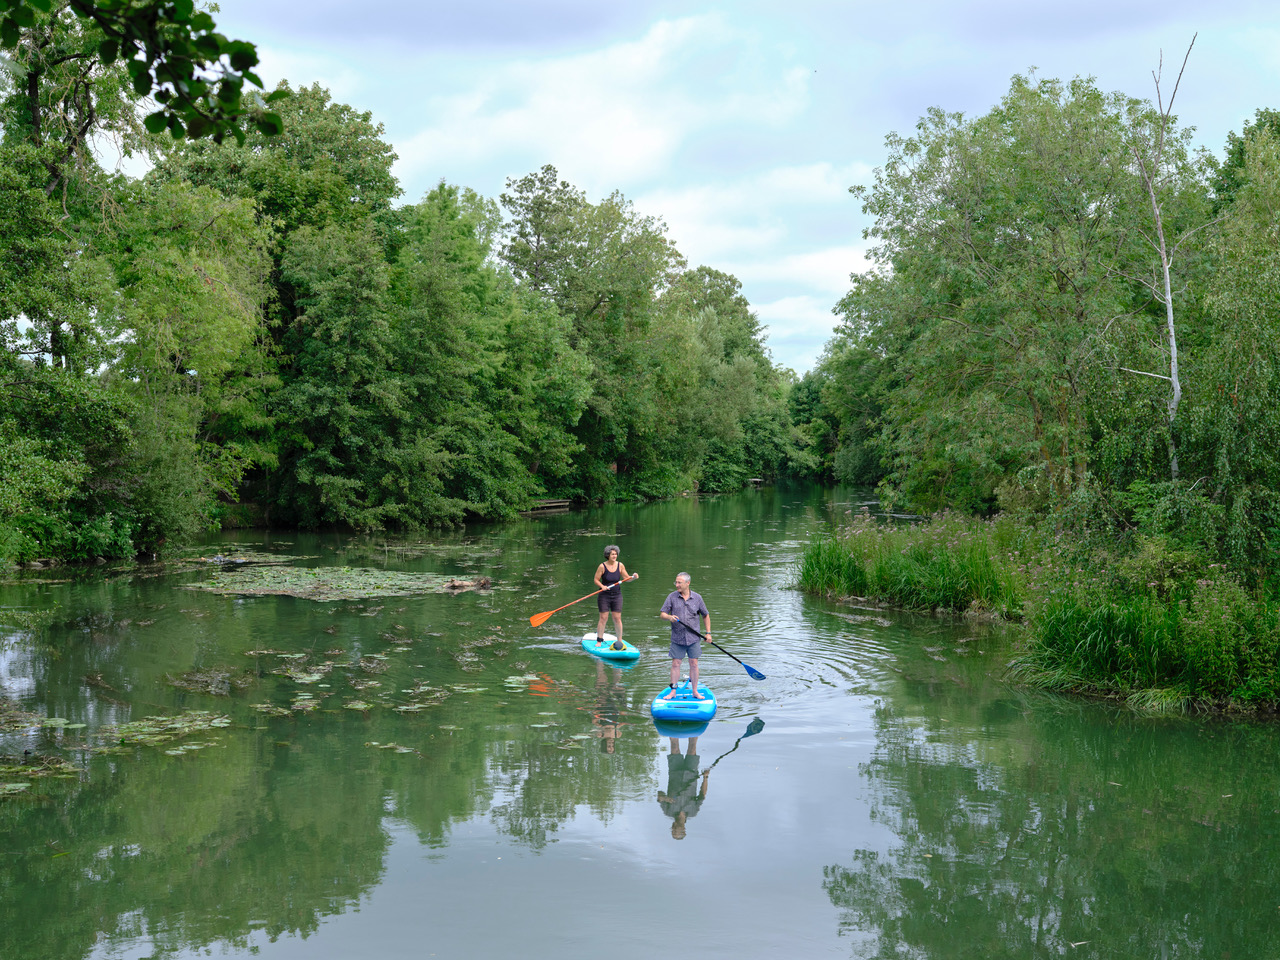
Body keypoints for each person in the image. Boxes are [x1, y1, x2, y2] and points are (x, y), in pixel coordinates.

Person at [659, 572, 710, 699]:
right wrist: (669, 617)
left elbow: (705, 615)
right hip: (677, 638)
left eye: (679, 583)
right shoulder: (672, 597)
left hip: (693, 638)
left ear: (688, 583)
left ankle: (695, 691)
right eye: (676, 582)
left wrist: (708, 633)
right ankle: (673, 692)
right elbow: (662, 614)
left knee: (694, 663)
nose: (677, 585)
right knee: (676, 663)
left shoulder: (697, 598)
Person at [657, 736, 709, 840]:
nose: (673, 829)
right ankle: (694, 724)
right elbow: (702, 795)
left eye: (672, 831)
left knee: (674, 746)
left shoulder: (668, 811)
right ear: (683, 830)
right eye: (676, 831)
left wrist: (666, 799)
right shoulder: (693, 812)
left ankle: (673, 722)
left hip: (674, 772)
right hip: (691, 774)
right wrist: (705, 777)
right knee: (692, 747)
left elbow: (659, 795)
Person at [594, 545, 636, 641]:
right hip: (604, 595)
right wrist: (602, 586)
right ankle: (599, 640)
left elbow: (626, 579)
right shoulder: (602, 566)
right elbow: (596, 580)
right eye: (612, 554)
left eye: (616, 554)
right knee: (603, 618)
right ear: (608, 555)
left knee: (617, 618)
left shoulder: (620, 565)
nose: (614, 556)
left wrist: (633, 577)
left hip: (617, 595)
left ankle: (619, 641)